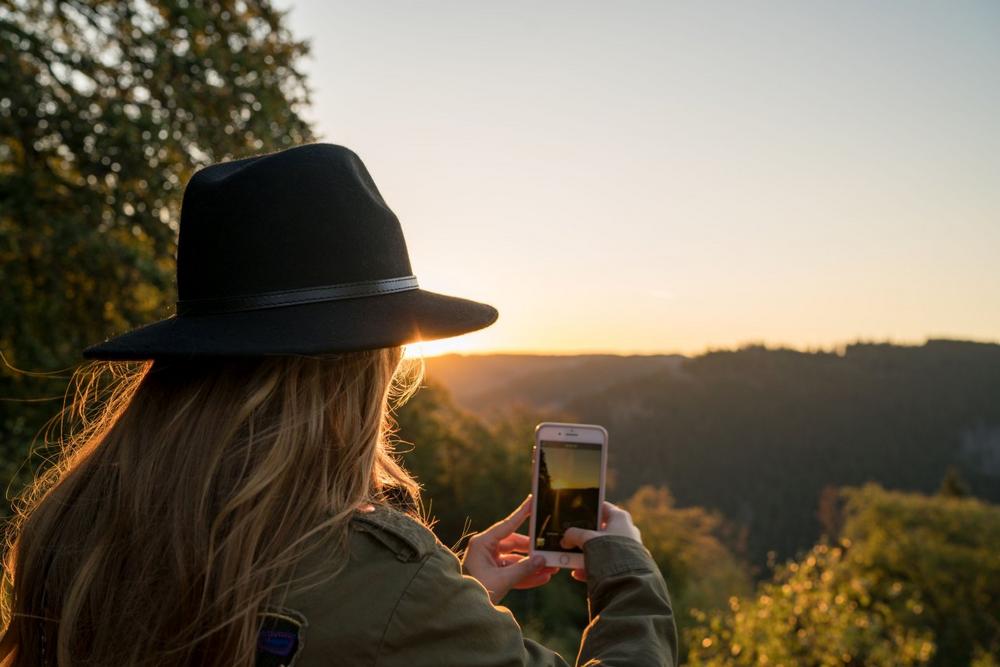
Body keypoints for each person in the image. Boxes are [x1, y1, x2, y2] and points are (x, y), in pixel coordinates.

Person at [0, 144, 677, 666]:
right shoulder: (387, 583)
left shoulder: (68, 528)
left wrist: (450, 603)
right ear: (361, 373)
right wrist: (627, 572)